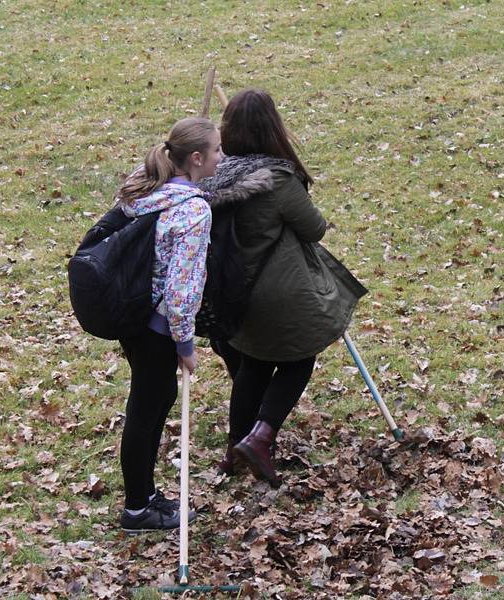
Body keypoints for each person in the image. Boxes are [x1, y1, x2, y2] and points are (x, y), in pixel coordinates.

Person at [200, 89, 366, 487]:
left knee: (254, 364)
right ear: (273, 128)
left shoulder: (210, 176)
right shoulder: (276, 178)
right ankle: (260, 437)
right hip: (276, 292)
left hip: (230, 292)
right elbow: (315, 227)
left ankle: (235, 450)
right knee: (298, 358)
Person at [116, 117, 222, 532]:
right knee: (148, 407)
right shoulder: (194, 211)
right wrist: (185, 345)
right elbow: (182, 292)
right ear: (195, 158)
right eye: (215, 150)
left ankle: (143, 496)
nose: (221, 156)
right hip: (158, 325)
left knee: (146, 402)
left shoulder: (143, 186)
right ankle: (139, 509)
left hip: (132, 312)